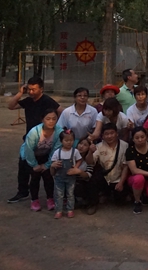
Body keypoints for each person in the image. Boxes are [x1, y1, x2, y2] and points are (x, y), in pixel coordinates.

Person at [7, 76, 62, 204]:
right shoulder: (28, 101)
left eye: (34, 89)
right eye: (29, 89)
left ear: (41, 89)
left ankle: (51, 195)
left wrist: (54, 125)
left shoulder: (47, 101)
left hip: (45, 138)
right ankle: (22, 191)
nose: (31, 92)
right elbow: (10, 106)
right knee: (23, 165)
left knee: (45, 170)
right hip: (30, 138)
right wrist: (20, 93)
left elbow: (61, 111)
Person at [22, 110, 63, 212]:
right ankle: (34, 200)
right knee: (35, 176)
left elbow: (56, 150)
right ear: (42, 120)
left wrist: (47, 164)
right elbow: (29, 150)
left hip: (47, 155)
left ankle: (50, 199)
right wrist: (34, 165)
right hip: (31, 156)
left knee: (48, 176)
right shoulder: (34, 132)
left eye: (54, 119)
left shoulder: (59, 132)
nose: (51, 121)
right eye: (48, 119)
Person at [87, 123, 129, 215]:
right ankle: (93, 204)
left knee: (120, 201)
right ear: (102, 136)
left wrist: (121, 183)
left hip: (118, 178)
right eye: (106, 134)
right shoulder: (98, 146)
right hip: (105, 178)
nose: (109, 136)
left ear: (117, 133)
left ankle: (110, 194)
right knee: (93, 180)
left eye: (112, 133)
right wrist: (90, 152)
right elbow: (90, 162)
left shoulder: (125, 146)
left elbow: (125, 166)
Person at [126, 127, 148, 214]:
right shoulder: (130, 150)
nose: (140, 140)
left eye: (142, 137)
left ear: (146, 137)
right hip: (136, 177)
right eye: (137, 138)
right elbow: (134, 170)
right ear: (133, 139)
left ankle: (144, 194)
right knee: (139, 179)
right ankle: (137, 201)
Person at [50, 129, 83, 219]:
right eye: (66, 140)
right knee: (59, 194)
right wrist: (54, 165)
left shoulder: (75, 151)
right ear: (61, 141)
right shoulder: (57, 152)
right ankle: (59, 210)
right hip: (59, 177)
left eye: (71, 140)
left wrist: (76, 167)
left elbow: (80, 160)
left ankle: (70, 209)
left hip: (71, 177)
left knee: (70, 194)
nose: (69, 142)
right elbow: (52, 163)